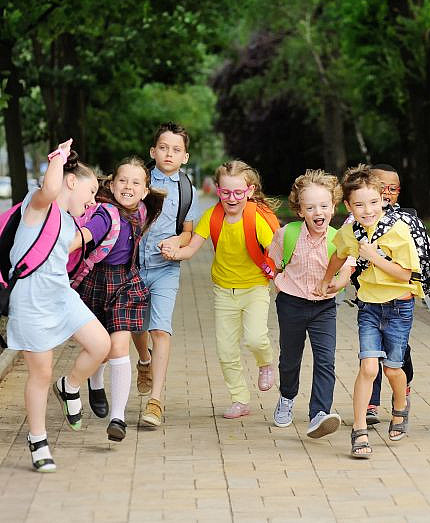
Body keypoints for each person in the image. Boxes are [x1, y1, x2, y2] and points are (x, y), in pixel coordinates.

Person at [6, 139, 110, 471]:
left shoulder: (68, 222)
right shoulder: (37, 206)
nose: (92, 200)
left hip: (61, 295)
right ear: (70, 180)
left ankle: (71, 386)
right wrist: (58, 157)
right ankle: (37, 439)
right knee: (41, 372)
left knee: (101, 345)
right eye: (91, 191)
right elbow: (49, 190)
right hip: (31, 299)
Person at [315, 164, 422, 458]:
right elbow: (338, 256)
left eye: (374, 202)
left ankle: (400, 406)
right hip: (370, 309)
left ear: (383, 200)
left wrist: (374, 257)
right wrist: (327, 281)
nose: (368, 210)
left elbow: (405, 274)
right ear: (348, 206)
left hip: (399, 307)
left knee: (392, 369)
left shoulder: (399, 231)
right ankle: (359, 429)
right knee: (369, 367)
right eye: (359, 204)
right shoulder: (351, 231)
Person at [162, 160, 278, 419]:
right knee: (226, 350)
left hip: (255, 288)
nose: (232, 198)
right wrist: (174, 252)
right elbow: (191, 249)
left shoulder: (255, 218)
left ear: (250, 191)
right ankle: (240, 399)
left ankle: (265, 363)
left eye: (238, 192)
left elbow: (276, 252)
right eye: (226, 192)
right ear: (217, 190)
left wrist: (283, 277)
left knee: (256, 338)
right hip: (223, 292)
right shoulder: (212, 217)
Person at [69, 157, 165, 442]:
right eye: (122, 181)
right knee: (100, 344)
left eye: (136, 183)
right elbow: (86, 235)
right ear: (111, 184)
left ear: (145, 191)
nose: (128, 187)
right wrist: (62, 245)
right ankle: (96, 384)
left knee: (119, 346)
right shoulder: (106, 213)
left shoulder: (144, 209)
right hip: (96, 281)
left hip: (125, 283)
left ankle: (118, 417)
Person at [364, 164, 430, 425]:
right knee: (372, 351)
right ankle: (371, 403)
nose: (387, 194)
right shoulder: (360, 220)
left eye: (393, 189)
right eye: (382, 188)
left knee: (398, 350)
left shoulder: (408, 220)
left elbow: (425, 254)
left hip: (401, 299)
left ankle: (402, 389)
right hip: (370, 298)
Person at [267, 170, 354, 438]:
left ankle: (319, 413)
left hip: (324, 307)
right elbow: (275, 262)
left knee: (325, 360)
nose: (319, 212)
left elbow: (346, 272)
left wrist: (336, 284)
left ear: (333, 206)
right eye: (311, 207)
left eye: (324, 206)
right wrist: (278, 281)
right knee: (290, 358)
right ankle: (287, 397)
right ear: (300, 210)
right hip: (291, 304)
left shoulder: (339, 238)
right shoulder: (287, 234)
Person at [131, 122, 198, 427]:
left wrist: (177, 242)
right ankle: (143, 361)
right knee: (135, 326)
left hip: (166, 269)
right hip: (131, 266)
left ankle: (155, 401)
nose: (169, 153)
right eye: (163, 147)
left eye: (176, 149)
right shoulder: (138, 181)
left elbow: (187, 233)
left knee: (160, 329)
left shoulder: (187, 190)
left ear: (185, 156)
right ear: (153, 151)